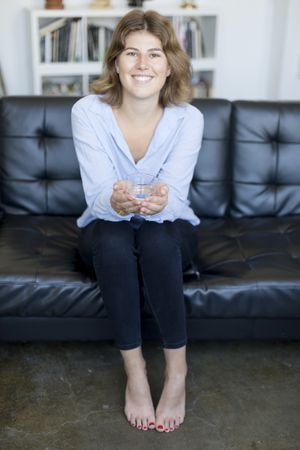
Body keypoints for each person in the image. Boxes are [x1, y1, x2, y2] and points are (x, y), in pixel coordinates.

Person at [71, 9, 204, 433]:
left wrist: (159, 202)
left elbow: (175, 197)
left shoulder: (189, 119)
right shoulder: (87, 112)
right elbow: (97, 194)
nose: (142, 65)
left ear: (169, 67)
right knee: (112, 238)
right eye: (132, 53)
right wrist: (116, 198)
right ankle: (136, 373)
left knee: (157, 238)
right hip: (103, 227)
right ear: (115, 62)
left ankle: (177, 373)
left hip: (170, 232)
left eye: (154, 54)